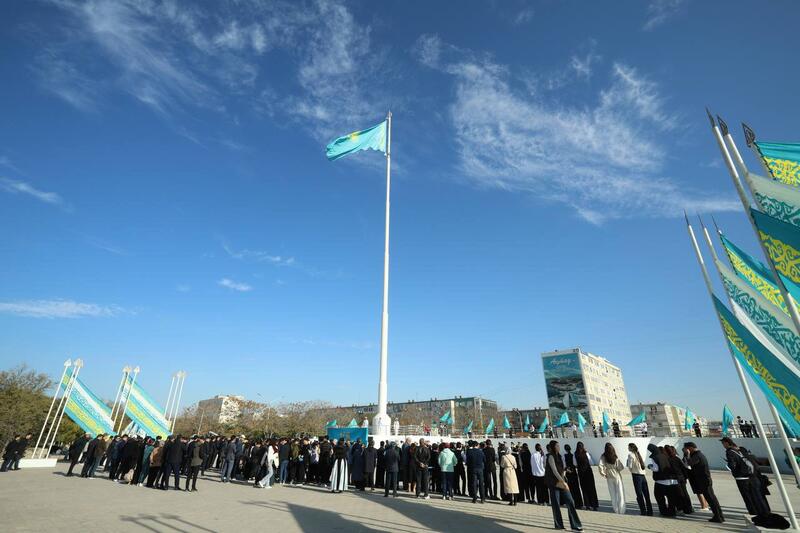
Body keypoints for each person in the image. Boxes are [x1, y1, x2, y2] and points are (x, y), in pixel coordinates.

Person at [721, 437, 769, 517]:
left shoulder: (730, 452)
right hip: (752, 477)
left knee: (748, 497)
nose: (723, 445)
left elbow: (732, 465)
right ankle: (763, 512)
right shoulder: (740, 450)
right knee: (757, 496)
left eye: (723, 443)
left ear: (726, 443)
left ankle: (754, 513)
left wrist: (730, 467)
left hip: (741, 478)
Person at [545, 441, 583, 531]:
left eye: (558, 445)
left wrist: (564, 476)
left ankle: (575, 524)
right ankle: (558, 525)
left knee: (570, 501)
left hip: (562, 482)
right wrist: (563, 482)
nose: (559, 447)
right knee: (556, 504)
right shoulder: (550, 456)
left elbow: (562, 469)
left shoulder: (560, 456)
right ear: (553, 447)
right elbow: (554, 471)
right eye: (557, 446)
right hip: (554, 483)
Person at [683, 442, 724, 523]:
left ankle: (718, 516)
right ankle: (719, 516)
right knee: (711, 498)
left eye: (686, 449)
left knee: (711, 499)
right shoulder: (698, 455)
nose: (685, 450)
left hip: (704, 481)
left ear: (690, 448)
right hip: (704, 480)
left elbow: (689, 463)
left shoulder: (697, 455)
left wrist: (687, 454)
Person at [647, 444, 679, 517]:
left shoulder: (655, 457)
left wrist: (650, 466)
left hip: (660, 481)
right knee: (670, 497)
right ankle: (672, 512)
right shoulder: (664, 455)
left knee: (659, 497)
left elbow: (656, 469)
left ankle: (664, 512)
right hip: (670, 480)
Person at [665, 445, 693, 514]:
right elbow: (683, 468)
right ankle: (688, 508)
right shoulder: (677, 458)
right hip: (681, 478)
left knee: (679, 494)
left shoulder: (668, 460)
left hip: (676, 479)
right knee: (685, 493)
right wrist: (685, 477)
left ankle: (682, 508)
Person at [599, 442, 626, 514]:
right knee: (620, 492)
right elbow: (620, 467)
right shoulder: (615, 456)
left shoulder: (603, 456)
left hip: (609, 475)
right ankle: (621, 509)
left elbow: (600, 465)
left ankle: (615, 509)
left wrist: (603, 473)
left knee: (612, 493)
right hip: (616, 475)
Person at [627, 443, 652, 516]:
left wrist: (631, 470)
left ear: (631, 448)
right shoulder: (638, 454)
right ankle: (650, 511)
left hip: (636, 475)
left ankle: (643, 511)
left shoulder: (630, 455)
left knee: (639, 494)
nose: (628, 448)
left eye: (628, 447)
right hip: (643, 475)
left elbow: (630, 466)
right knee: (646, 494)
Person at [574, 442, 598, 511]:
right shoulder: (586, 453)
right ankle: (594, 505)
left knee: (584, 489)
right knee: (591, 488)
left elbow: (574, 463)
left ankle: (587, 505)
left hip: (581, 473)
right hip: (588, 472)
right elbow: (592, 463)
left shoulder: (575, 454)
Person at [562, 444, 583, 509]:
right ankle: (579, 504)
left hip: (568, 474)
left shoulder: (564, 456)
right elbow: (575, 464)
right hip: (574, 473)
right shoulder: (573, 455)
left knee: (570, 489)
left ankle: (572, 503)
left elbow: (564, 466)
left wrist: (567, 469)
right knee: (576, 488)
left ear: (565, 449)